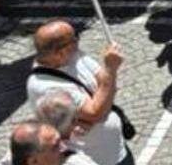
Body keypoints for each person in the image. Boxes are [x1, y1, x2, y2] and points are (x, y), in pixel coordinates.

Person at [26, 20, 130, 165]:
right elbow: (96, 112)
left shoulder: (73, 56)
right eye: (74, 39)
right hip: (97, 158)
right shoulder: (46, 87)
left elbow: (105, 81)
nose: (77, 41)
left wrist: (105, 90)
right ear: (60, 52)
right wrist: (111, 69)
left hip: (116, 147)